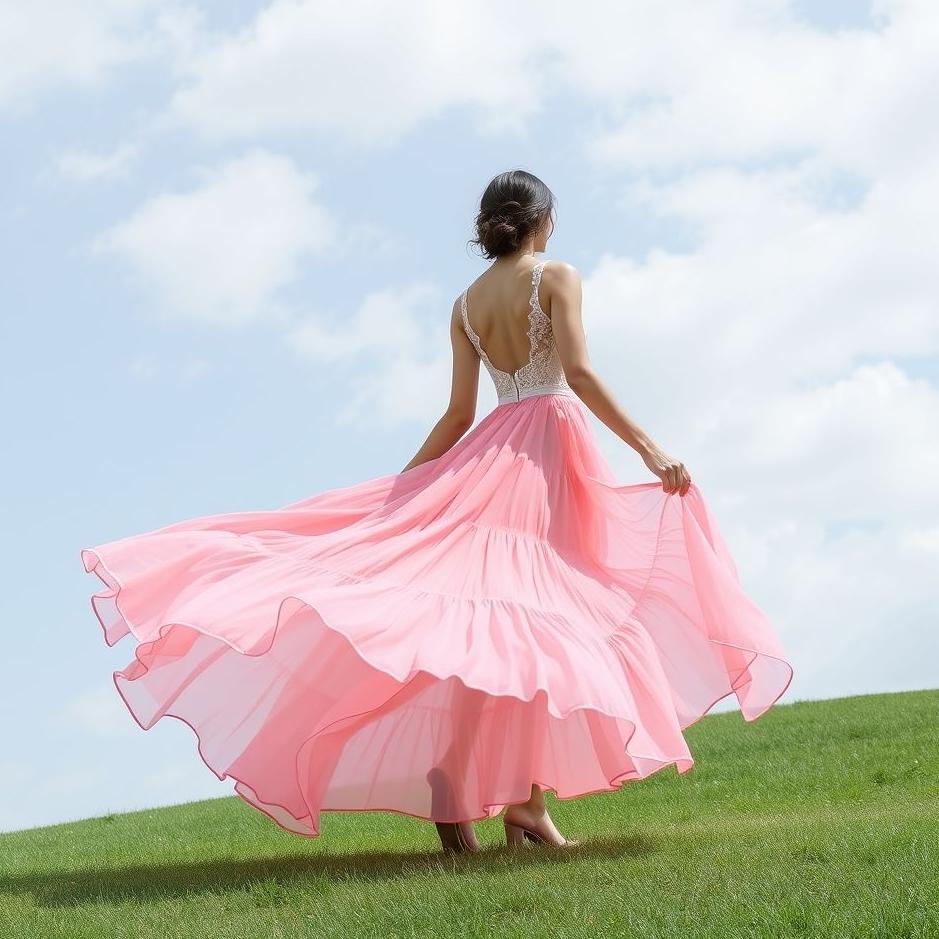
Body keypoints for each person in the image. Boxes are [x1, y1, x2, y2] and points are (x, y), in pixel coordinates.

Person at [80, 169, 793, 857]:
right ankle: (511, 795)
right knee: (546, 620)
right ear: (541, 220)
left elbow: (458, 413)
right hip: (548, 450)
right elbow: (574, 373)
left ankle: (513, 796)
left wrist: (409, 486)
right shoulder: (556, 275)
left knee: (519, 628)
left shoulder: (464, 303)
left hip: (493, 451)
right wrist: (648, 448)